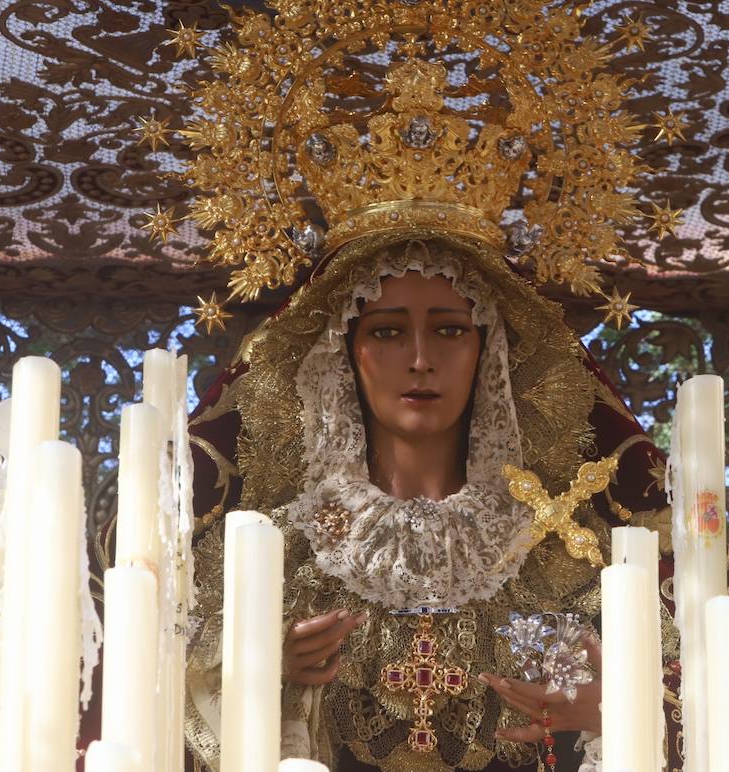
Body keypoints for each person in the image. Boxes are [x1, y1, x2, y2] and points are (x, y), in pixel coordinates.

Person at [182, 230, 682, 771]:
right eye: (388, 331)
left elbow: (682, 699)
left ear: (488, 351)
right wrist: (255, 666)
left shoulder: (556, 553)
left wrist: (619, 713)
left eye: (449, 330)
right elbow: (168, 694)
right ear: (344, 353)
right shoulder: (281, 553)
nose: (420, 358)